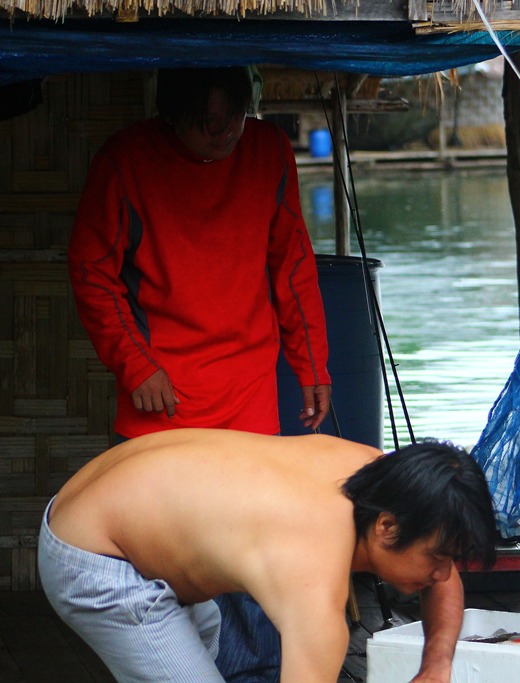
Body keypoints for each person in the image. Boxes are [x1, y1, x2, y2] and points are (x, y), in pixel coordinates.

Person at [38, 429, 499, 683]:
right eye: (438, 558)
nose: (444, 574)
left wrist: (436, 667)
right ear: (386, 528)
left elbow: (443, 574)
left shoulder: (381, 477)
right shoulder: (313, 577)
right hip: (99, 557)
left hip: (122, 517)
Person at [68, 66, 332, 438]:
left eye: (235, 116)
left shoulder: (269, 149)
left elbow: (294, 269)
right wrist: (136, 366)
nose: (225, 132)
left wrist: (313, 366)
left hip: (250, 394)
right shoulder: (124, 159)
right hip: (160, 395)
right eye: (209, 121)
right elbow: (91, 273)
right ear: (172, 116)